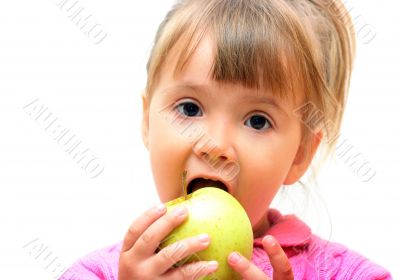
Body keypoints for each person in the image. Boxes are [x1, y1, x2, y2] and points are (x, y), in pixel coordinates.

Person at [60, 0, 392, 279]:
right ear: (147, 120)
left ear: (299, 155)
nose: (215, 145)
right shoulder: (97, 273)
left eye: (257, 121)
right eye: (189, 108)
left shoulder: (345, 274)